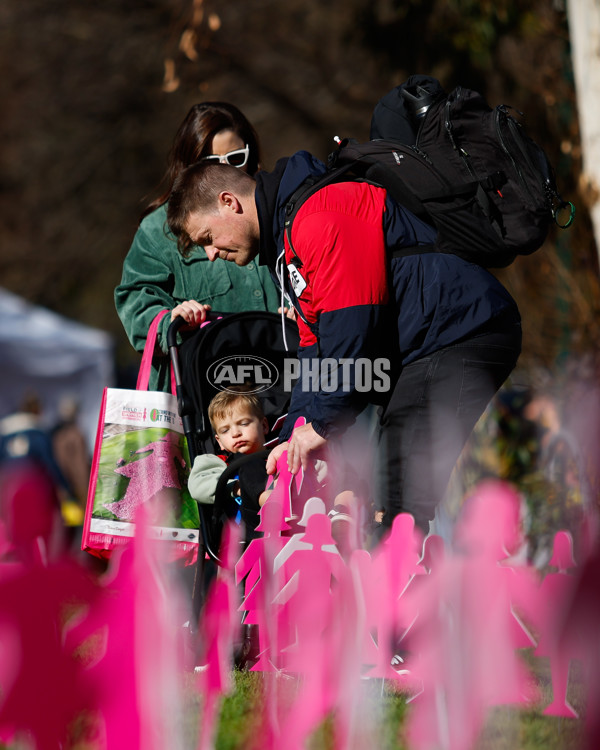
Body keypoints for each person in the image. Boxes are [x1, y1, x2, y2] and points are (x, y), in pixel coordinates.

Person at [164, 150, 522, 537]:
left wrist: (322, 424)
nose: (212, 254)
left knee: (399, 499)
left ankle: (415, 586)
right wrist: (291, 439)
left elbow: (350, 327)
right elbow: (313, 349)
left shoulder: (320, 215)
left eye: (208, 238)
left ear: (228, 203)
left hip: (460, 331)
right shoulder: (288, 235)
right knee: (387, 496)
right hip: (426, 344)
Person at [114, 102, 284, 392]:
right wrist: (172, 322)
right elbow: (135, 303)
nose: (225, 170)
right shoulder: (159, 229)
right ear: (189, 163)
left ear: (251, 154)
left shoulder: (279, 209)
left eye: (235, 157)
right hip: (206, 401)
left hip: (284, 385)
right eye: (211, 162)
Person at [187, 389, 271, 539]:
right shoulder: (217, 462)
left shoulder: (279, 455)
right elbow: (198, 485)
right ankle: (270, 501)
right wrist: (239, 487)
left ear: (264, 425)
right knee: (246, 463)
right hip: (242, 537)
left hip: (282, 534)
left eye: (244, 423)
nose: (235, 433)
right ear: (219, 441)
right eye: (225, 430)